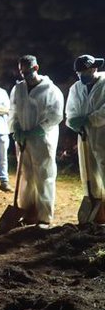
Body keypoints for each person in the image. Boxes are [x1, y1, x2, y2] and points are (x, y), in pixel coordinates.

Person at [8, 55, 64, 226]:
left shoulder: (51, 90)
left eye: (28, 71)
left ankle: (44, 217)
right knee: (26, 175)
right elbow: (13, 111)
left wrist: (39, 130)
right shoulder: (18, 89)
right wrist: (15, 128)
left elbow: (56, 115)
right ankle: (28, 212)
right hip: (23, 141)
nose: (25, 75)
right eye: (22, 72)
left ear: (36, 68)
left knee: (44, 176)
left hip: (43, 141)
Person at [65, 54, 105, 221]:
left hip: (102, 133)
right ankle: (97, 210)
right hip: (84, 136)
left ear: (94, 68)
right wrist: (74, 122)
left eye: (85, 72)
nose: (81, 76)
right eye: (79, 73)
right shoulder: (75, 88)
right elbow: (70, 112)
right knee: (89, 172)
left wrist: (90, 119)